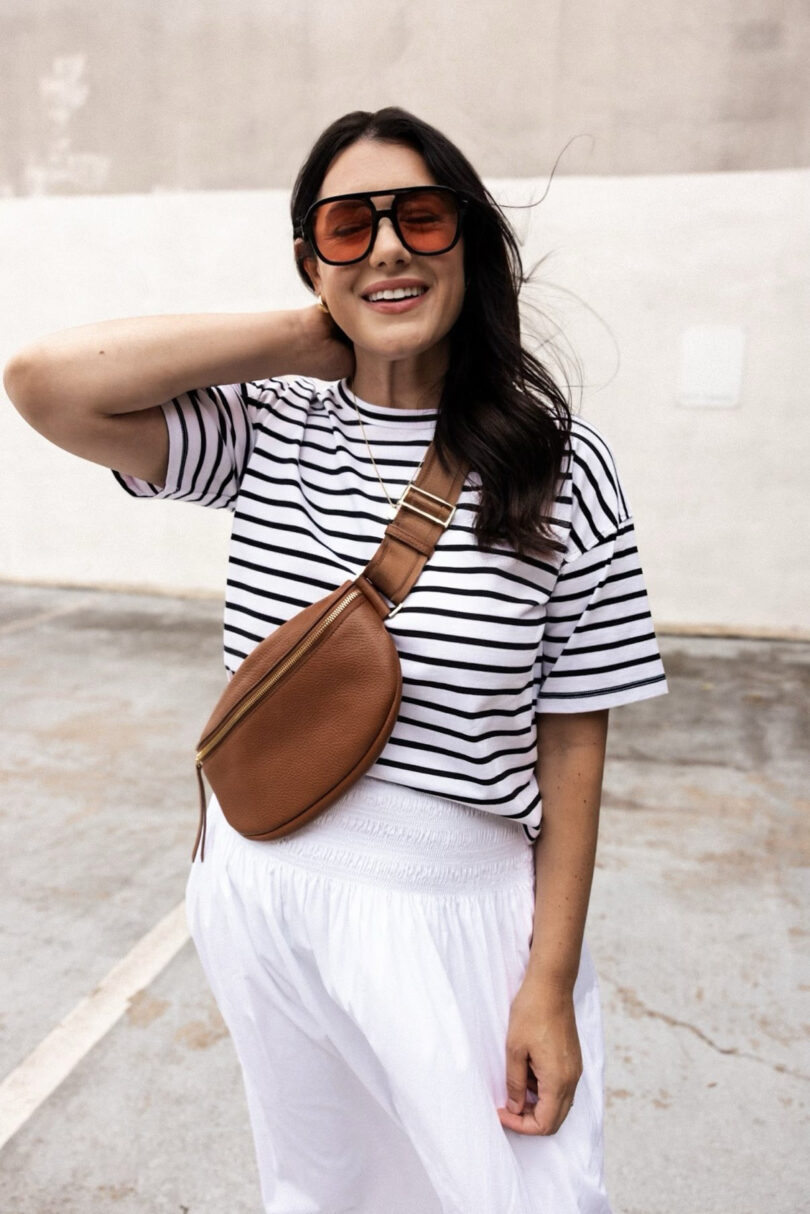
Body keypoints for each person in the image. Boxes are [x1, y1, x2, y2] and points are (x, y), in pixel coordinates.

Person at [4, 106, 668, 1214]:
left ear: (470, 241)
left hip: (450, 908)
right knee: (325, 1193)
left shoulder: (558, 465)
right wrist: (303, 335)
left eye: (422, 217)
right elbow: (44, 381)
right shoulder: (267, 430)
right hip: (261, 893)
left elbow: (573, 742)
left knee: (527, 1193)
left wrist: (548, 980)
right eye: (349, 227)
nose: (390, 246)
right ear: (311, 260)